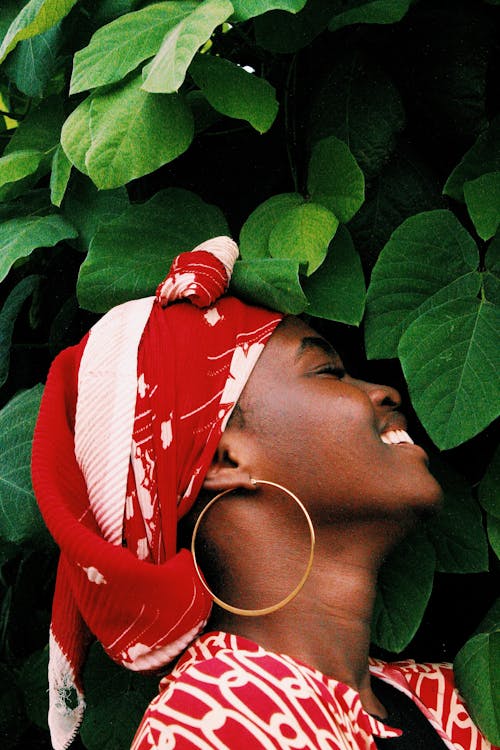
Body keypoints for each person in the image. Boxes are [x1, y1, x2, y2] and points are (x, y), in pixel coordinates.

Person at [32, 237, 496, 750]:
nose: (384, 392)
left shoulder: (448, 699)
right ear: (224, 458)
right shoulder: (210, 726)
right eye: (329, 372)